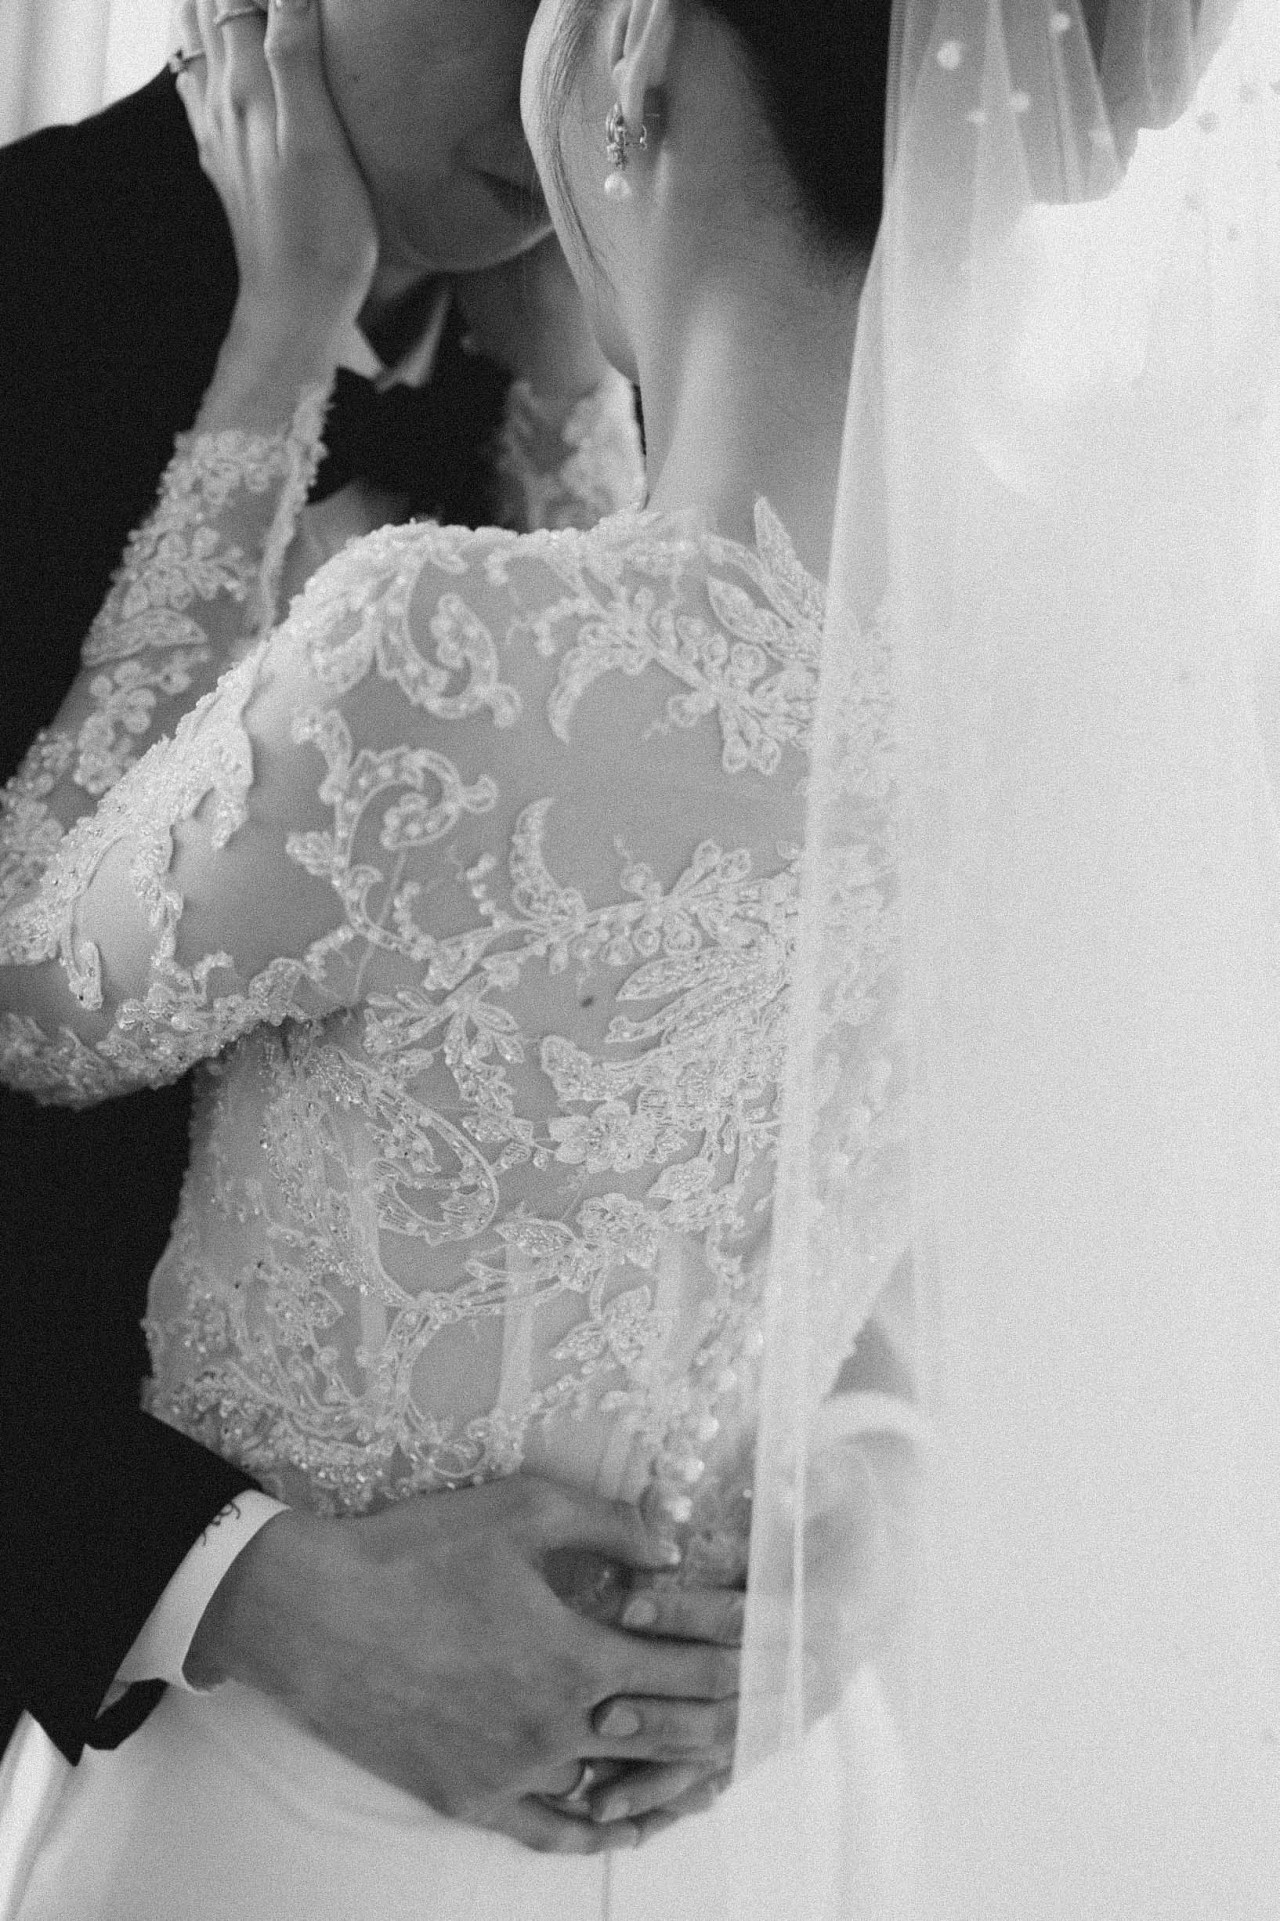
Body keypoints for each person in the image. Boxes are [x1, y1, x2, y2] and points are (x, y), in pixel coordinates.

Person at [0, 0, 921, 1912]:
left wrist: (855, 1538)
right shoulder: (34, 284)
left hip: (700, 1804)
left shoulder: (593, 507)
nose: (544, 48)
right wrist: (217, 1579)